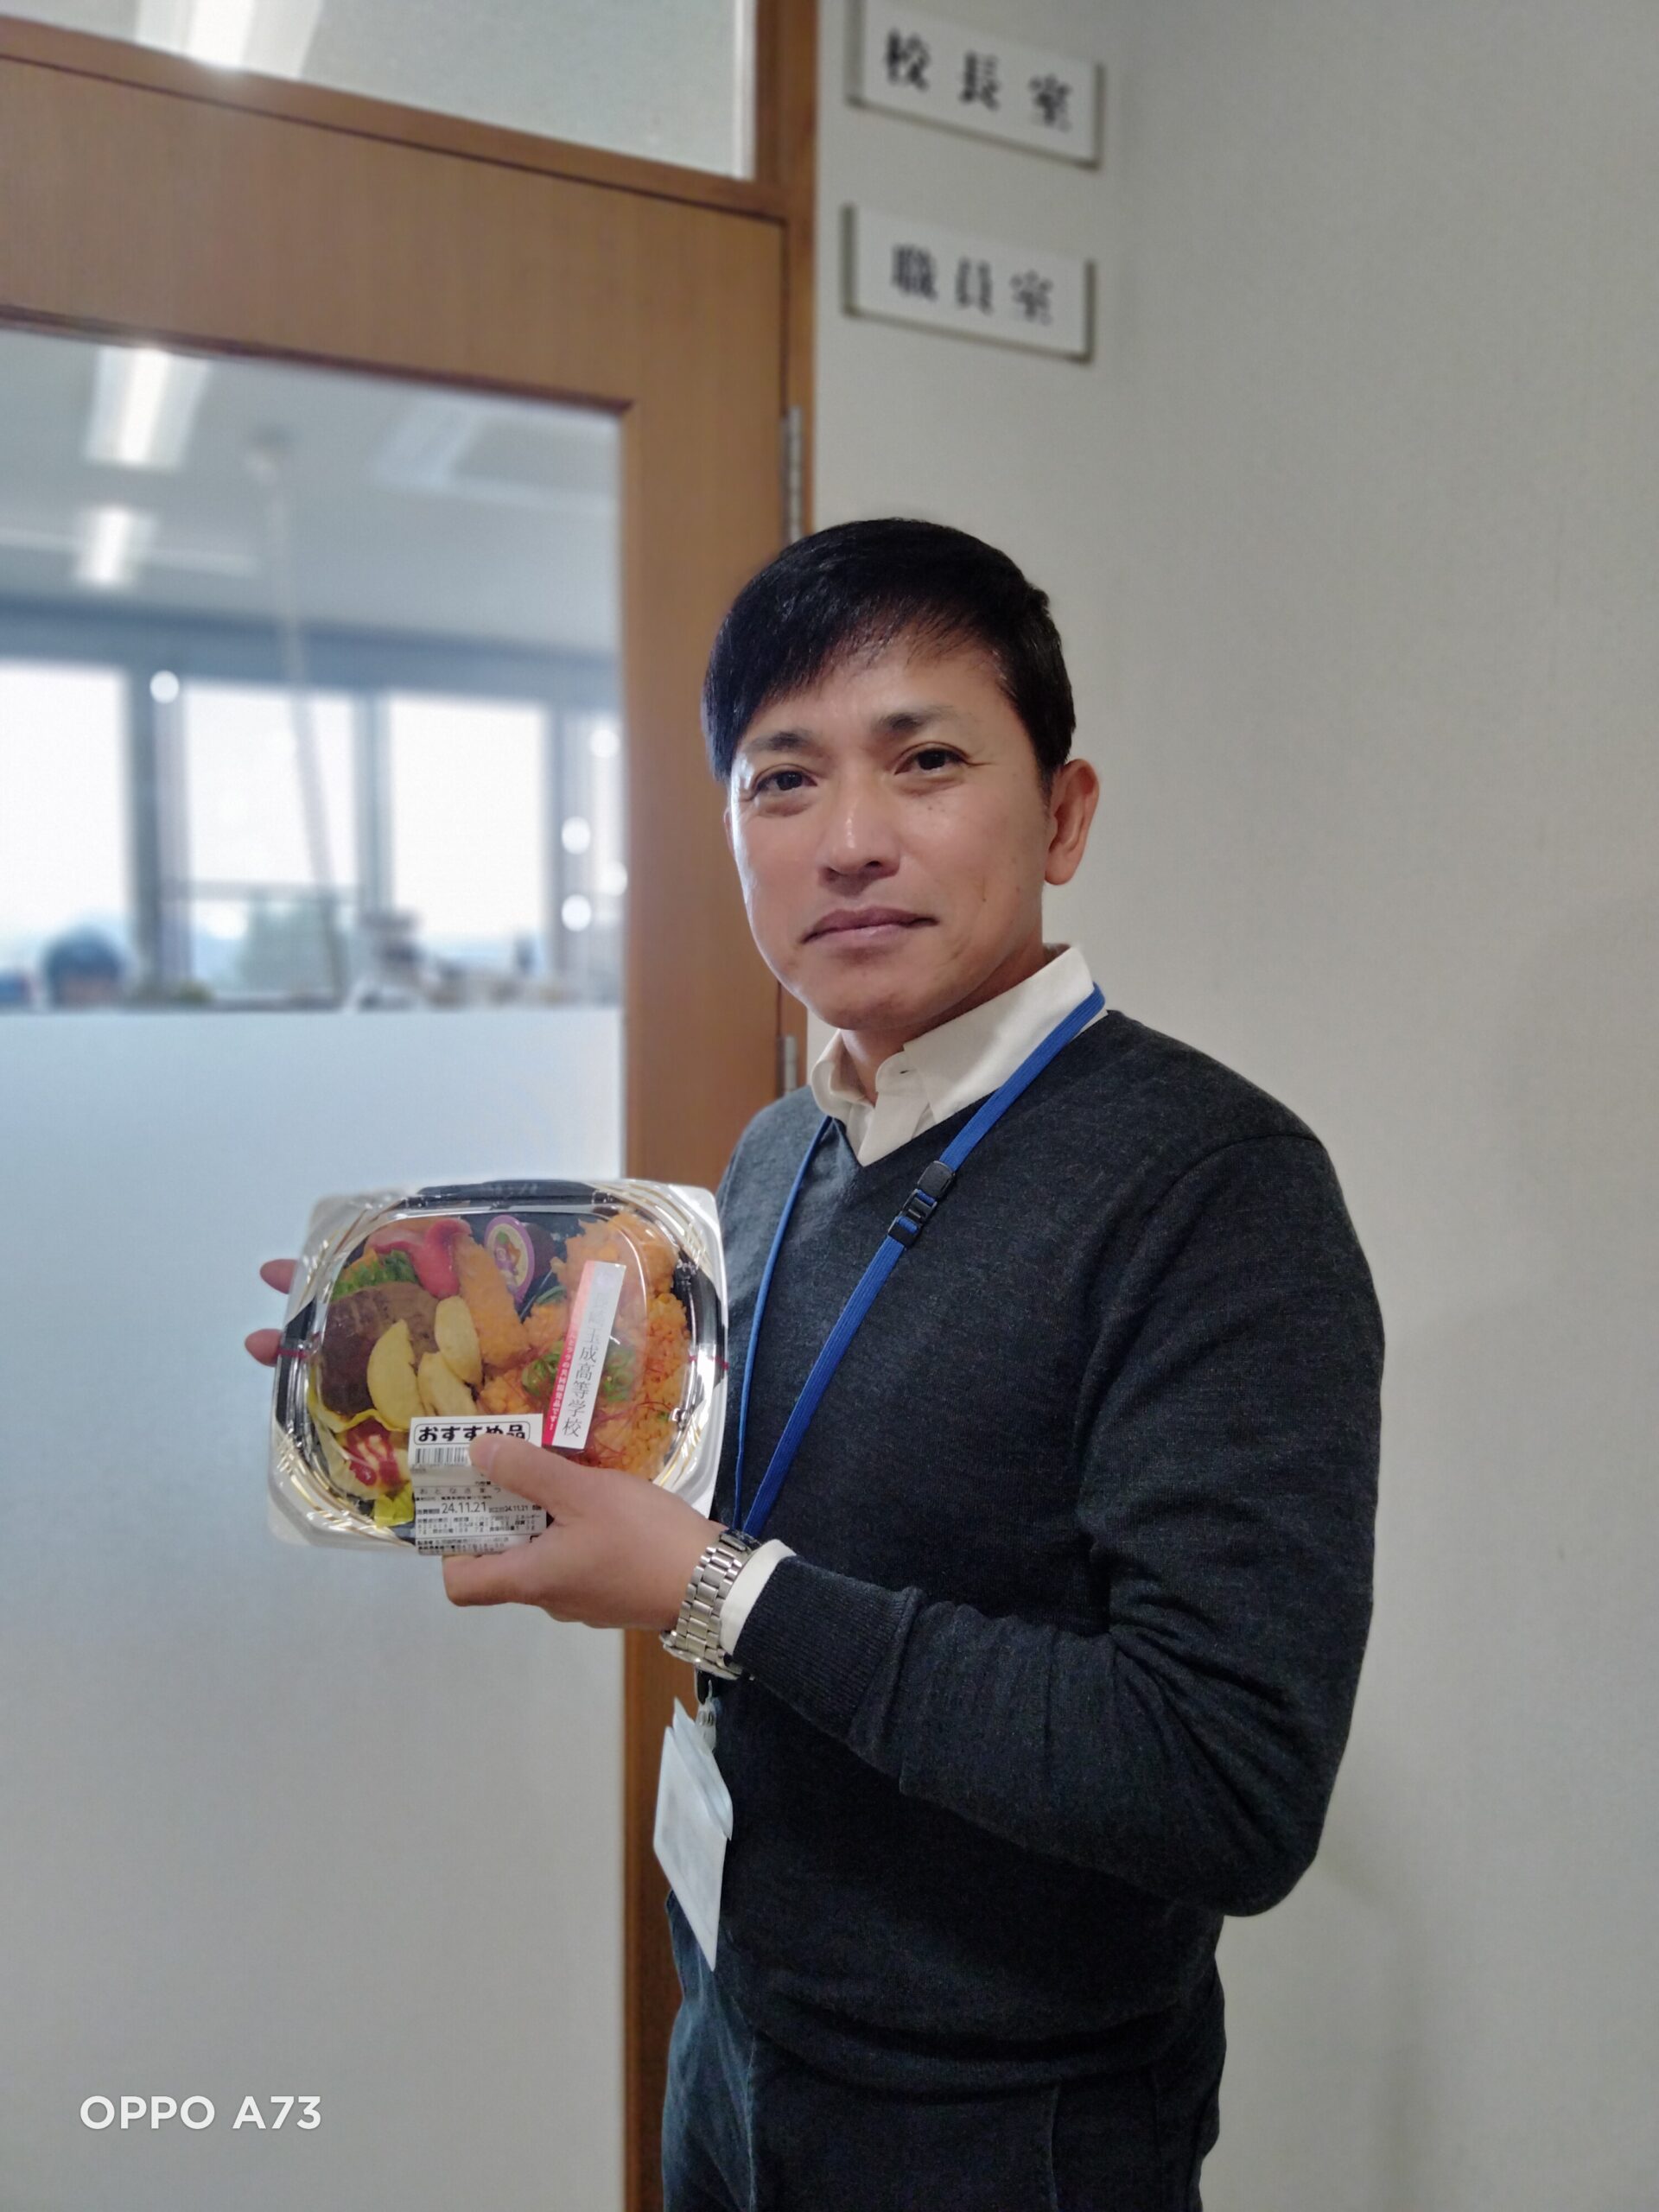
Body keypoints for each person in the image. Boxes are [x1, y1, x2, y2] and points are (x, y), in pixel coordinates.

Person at [249, 518, 1383, 2210]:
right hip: (735, 2030)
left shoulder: (1215, 1186)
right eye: (784, 780)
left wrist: (714, 1593)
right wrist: (426, 1390)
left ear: (1064, 814)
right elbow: (749, 1490)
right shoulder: (782, 1150)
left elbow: (1225, 1781)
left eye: (926, 761)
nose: (851, 839)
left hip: (1003, 2121)